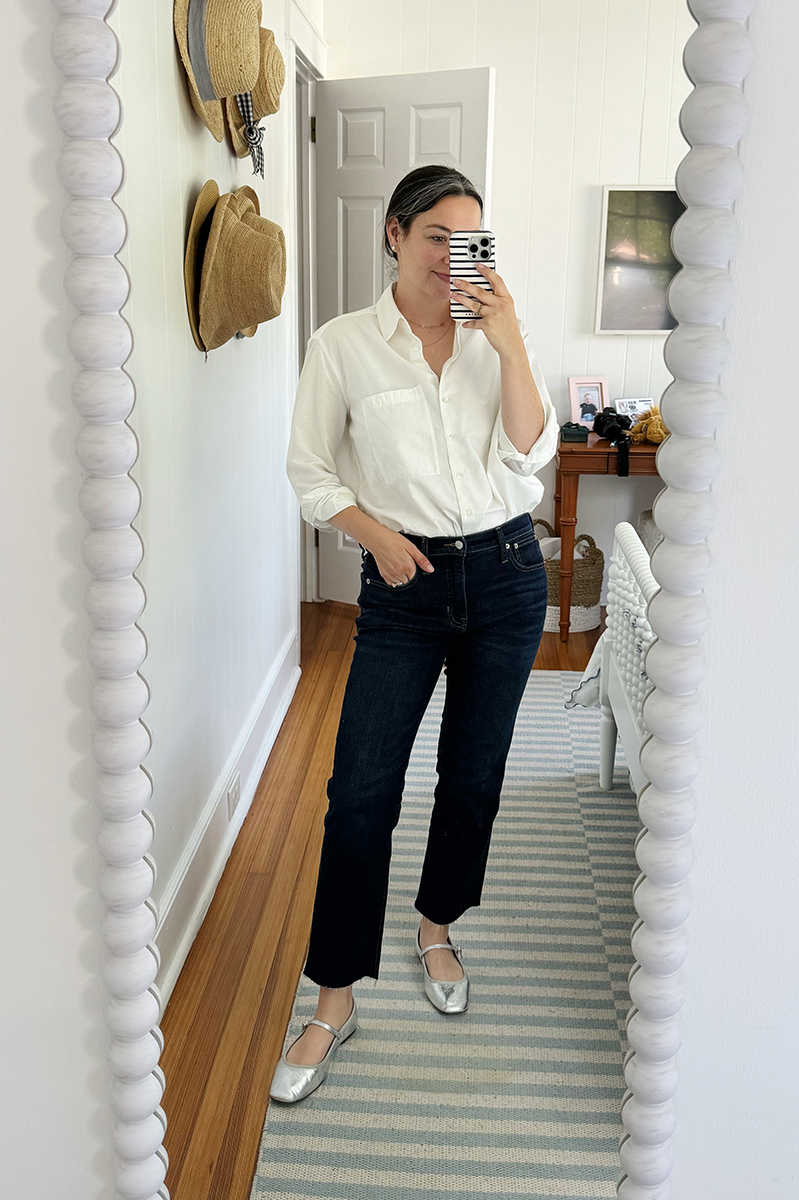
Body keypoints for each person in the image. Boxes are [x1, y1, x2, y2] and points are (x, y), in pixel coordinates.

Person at [271, 164, 559, 1103]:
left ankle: (437, 927)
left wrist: (510, 345)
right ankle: (334, 998)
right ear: (395, 235)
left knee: (472, 776)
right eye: (437, 235)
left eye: (471, 238)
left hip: (511, 575)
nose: (453, 257)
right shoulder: (343, 345)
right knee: (358, 794)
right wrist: (376, 537)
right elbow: (310, 472)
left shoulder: (494, 341)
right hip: (403, 582)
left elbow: (529, 451)